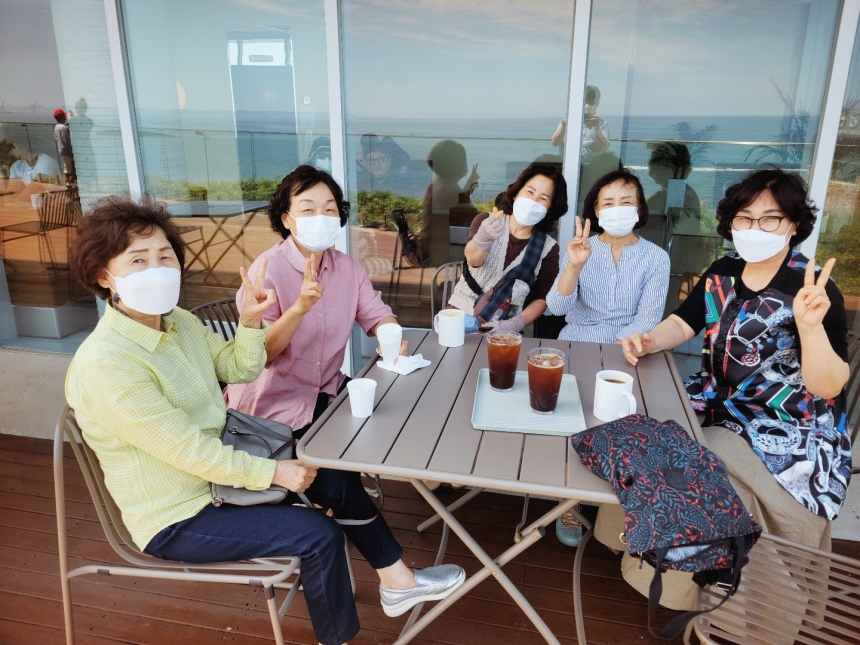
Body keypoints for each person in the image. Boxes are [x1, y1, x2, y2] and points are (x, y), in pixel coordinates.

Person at [65, 196, 465, 645]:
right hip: (179, 513)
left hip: (223, 475)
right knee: (317, 534)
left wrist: (250, 323)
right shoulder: (108, 364)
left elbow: (238, 368)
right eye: (138, 260)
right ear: (104, 275)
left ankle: (398, 582)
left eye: (165, 256)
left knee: (334, 477)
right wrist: (275, 472)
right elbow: (189, 452)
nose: (157, 269)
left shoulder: (175, 322)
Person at [615, 167, 850, 610]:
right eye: (745, 217)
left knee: (689, 471)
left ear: (794, 225)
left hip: (787, 424)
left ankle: (709, 597)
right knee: (633, 431)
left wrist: (810, 327)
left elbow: (828, 384)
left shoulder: (813, 289)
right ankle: (642, 548)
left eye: (770, 218)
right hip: (714, 401)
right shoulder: (724, 270)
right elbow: (684, 321)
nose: (755, 227)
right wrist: (648, 340)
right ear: (731, 222)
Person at [225, 165, 408, 435]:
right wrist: (298, 309)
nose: (320, 218)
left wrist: (392, 337)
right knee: (349, 453)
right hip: (270, 406)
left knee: (393, 422)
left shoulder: (348, 268)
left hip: (327, 391)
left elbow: (378, 314)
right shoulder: (267, 271)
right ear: (286, 219)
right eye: (308, 210)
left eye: (329, 209)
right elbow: (260, 355)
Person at [546, 168, 669, 546]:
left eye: (626, 201)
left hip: (626, 351)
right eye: (608, 203)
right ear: (596, 211)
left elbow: (648, 319)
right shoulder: (581, 249)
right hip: (575, 343)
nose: (617, 209)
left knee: (617, 424)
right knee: (567, 420)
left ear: (640, 208)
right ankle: (567, 499)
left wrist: (615, 350)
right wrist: (574, 266)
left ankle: (608, 500)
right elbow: (556, 307)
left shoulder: (656, 258)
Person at [446, 162, 564, 333]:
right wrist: (484, 238)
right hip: (460, 315)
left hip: (504, 328)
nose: (533, 201)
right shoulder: (487, 221)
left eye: (543, 198)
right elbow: (472, 261)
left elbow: (542, 297)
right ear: (516, 194)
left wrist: (516, 323)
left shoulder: (549, 248)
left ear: (550, 208)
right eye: (530, 192)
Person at [420, 139, 480, 266]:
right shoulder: (452, 192)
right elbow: (474, 222)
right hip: (446, 253)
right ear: (458, 165)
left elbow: (454, 202)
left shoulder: (437, 184)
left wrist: (469, 186)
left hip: (432, 247)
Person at [551, 85, 610, 164]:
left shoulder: (602, 124)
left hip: (590, 168)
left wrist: (596, 127)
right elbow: (555, 143)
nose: (587, 106)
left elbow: (602, 148)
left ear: (597, 103)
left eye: (591, 102)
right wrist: (565, 124)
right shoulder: (567, 121)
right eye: (585, 102)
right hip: (567, 167)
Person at [53, 108, 76, 186]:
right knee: (71, 166)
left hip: (61, 149)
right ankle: (71, 182)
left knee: (66, 166)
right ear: (62, 117)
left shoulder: (56, 127)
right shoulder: (63, 127)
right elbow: (66, 139)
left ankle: (68, 182)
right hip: (67, 149)